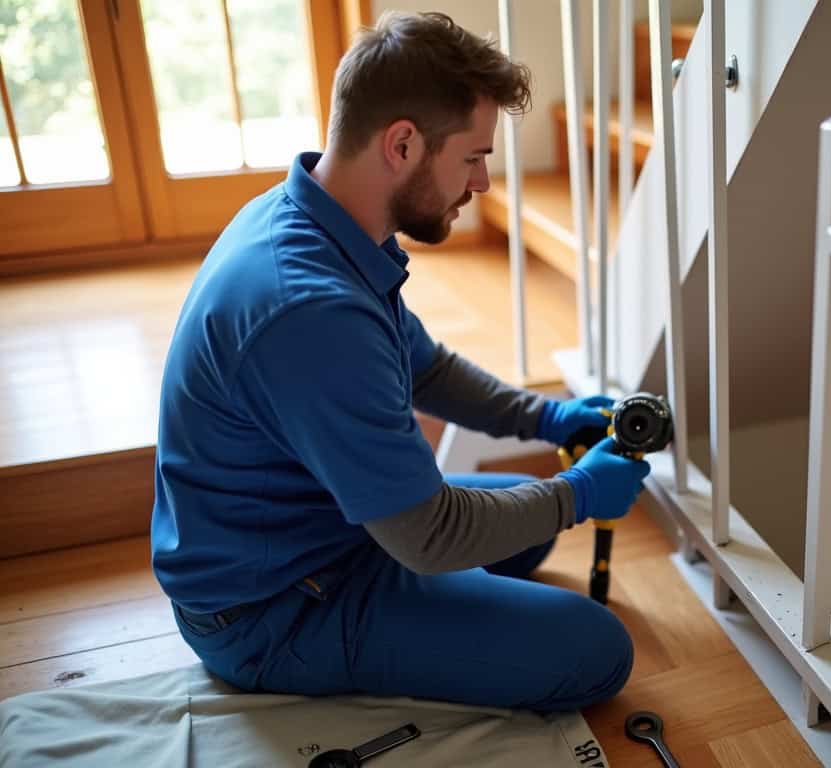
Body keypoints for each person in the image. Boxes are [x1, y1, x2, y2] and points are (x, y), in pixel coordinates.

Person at [150, 11, 649, 712]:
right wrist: (578, 497)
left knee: (521, 543)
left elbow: (428, 369)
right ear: (404, 144)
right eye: (474, 156)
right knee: (598, 651)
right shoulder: (310, 310)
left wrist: (550, 415)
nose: (481, 182)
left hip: (317, 536)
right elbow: (430, 534)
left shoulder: (315, 220)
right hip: (271, 612)